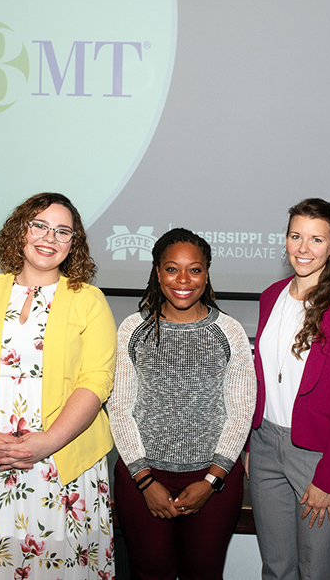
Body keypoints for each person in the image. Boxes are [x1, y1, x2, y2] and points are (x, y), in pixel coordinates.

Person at [0, 193, 116, 579]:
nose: (49, 237)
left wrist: (47, 442)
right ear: (20, 229)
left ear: (73, 244)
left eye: (62, 231)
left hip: (61, 465)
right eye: (39, 225)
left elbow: (97, 380)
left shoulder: (89, 300)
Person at [107, 228, 256, 580]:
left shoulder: (229, 331)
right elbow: (120, 409)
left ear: (207, 273)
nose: (184, 279)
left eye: (195, 269)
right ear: (157, 273)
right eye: (172, 269)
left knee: (203, 573)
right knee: (150, 572)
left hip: (212, 480)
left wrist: (211, 480)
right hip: (142, 478)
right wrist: (145, 481)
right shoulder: (132, 329)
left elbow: (240, 413)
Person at [246, 198, 330, 580]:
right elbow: (261, 376)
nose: (303, 248)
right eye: (296, 236)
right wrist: (251, 444)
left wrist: (328, 477)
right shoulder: (271, 296)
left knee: (315, 570)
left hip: (316, 456)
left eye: (316, 239)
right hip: (265, 445)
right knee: (276, 567)